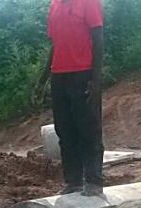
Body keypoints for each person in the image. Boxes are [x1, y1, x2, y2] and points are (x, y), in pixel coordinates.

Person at [35, 0, 105, 196]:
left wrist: (96, 79)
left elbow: (98, 38)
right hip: (59, 75)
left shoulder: (89, 2)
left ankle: (94, 180)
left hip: (83, 73)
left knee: (89, 129)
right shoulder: (54, 5)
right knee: (64, 131)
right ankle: (73, 181)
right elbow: (55, 45)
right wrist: (42, 80)